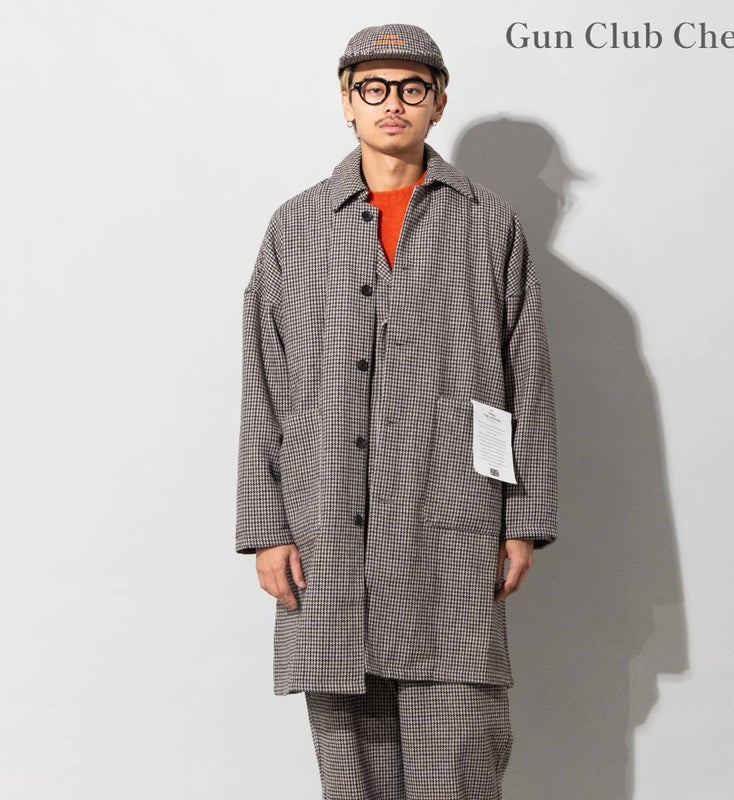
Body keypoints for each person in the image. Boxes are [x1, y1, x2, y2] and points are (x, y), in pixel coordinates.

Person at [235, 22, 558, 799]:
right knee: (352, 775)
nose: (392, 104)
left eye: (412, 88)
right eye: (373, 87)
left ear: (438, 101)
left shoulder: (487, 223)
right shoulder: (296, 227)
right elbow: (264, 381)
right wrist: (267, 528)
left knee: (460, 763)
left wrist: (523, 518)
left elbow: (527, 378)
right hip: (326, 532)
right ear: (346, 100)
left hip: (451, 526)